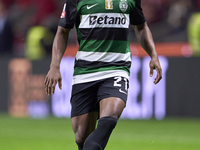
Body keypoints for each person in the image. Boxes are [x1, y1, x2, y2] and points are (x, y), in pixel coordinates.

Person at [44, 0, 162, 150]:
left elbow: (141, 26)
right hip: (85, 71)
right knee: (81, 136)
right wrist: (54, 66)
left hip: (117, 67)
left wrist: (154, 55)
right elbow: (62, 31)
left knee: (110, 118)